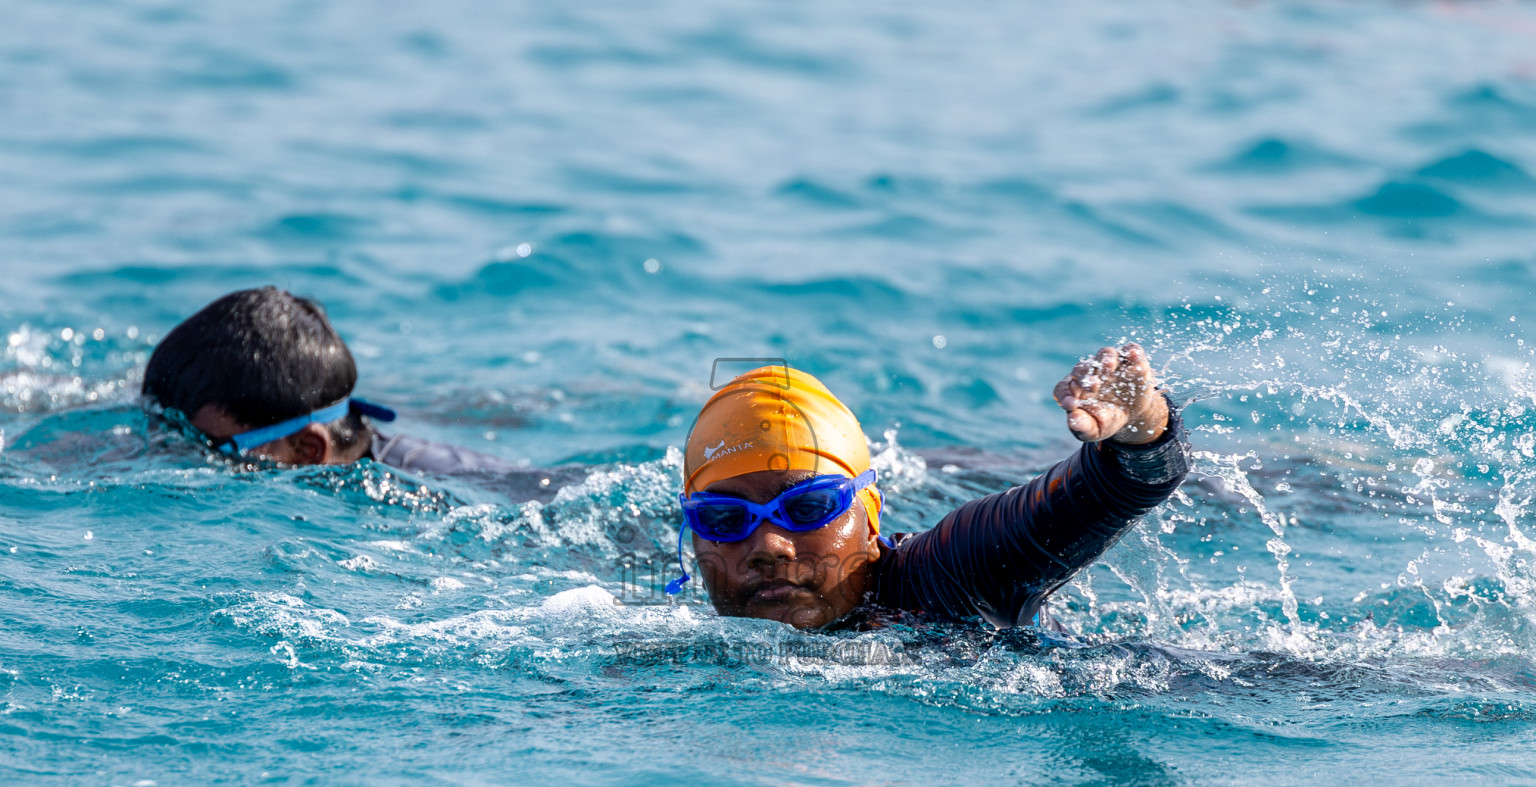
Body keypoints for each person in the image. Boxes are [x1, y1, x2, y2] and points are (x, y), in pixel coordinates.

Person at [666, 347, 1190, 630]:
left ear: (870, 518)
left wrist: (1139, 425)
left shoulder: (948, 576)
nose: (766, 547)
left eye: (807, 507)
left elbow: (1115, 487)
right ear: (694, 540)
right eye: (724, 520)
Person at [141, 287, 583, 497]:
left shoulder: (425, 501)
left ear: (307, 449)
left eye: (207, 449)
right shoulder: (330, 441)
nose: (173, 456)